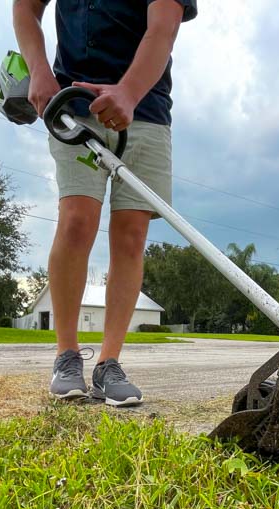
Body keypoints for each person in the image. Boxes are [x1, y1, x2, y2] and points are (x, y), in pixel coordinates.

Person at [13, 0, 197, 406]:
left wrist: (128, 92)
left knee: (131, 236)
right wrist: (39, 71)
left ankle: (108, 364)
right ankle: (66, 356)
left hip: (145, 110)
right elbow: (25, 7)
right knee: (77, 220)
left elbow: (163, 27)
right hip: (74, 107)